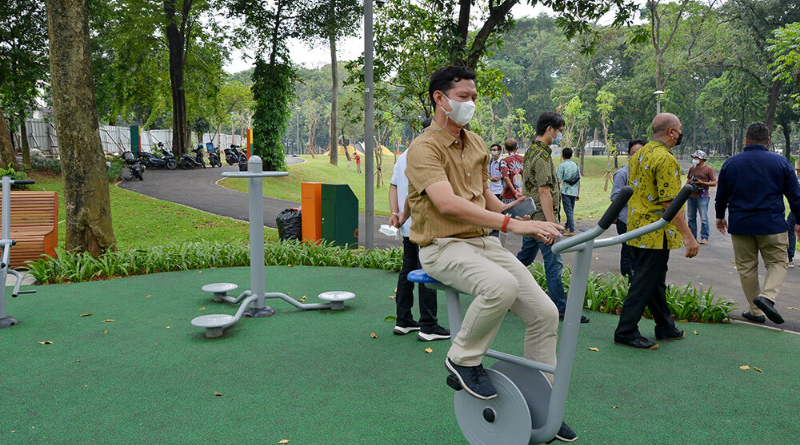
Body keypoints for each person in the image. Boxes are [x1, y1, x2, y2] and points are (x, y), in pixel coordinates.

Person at [405, 66, 578, 442]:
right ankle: (462, 358)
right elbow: (448, 204)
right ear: (440, 98)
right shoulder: (423, 148)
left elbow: (484, 198)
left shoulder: (479, 143)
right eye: (464, 97)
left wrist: (520, 213)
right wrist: (513, 226)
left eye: (474, 97)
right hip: (442, 246)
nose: (471, 104)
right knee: (499, 285)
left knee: (545, 313)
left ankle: (541, 403)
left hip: (482, 243)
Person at [613, 113, 699, 350]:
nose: (681, 133)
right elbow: (670, 203)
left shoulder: (639, 154)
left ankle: (665, 326)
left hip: (637, 227)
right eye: (679, 129)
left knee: (653, 279)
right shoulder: (666, 159)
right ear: (672, 131)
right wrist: (689, 236)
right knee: (644, 281)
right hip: (656, 231)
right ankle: (626, 330)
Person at [715, 122, 800, 325]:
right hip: (772, 224)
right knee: (778, 262)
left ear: (746, 140)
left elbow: (721, 195)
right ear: (768, 141)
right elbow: (795, 196)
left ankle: (755, 311)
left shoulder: (731, 163)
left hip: (741, 224)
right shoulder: (781, 162)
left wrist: (720, 216)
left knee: (746, 268)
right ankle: (767, 297)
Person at [518, 112, 590, 324]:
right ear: (549, 129)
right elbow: (544, 191)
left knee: (524, 258)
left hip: (533, 218)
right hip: (542, 220)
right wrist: (551, 225)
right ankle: (561, 308)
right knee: (553, 263)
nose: (559, 134)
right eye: (559, 130)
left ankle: (499, 286)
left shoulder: (531, 151)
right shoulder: (541, 156)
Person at [389, 151, 451, 341]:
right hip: (423, 225)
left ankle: (403, 319)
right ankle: (429, 325)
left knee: (407, 271)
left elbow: (393, 187)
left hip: (407, 225)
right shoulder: (428, 154)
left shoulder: (403, 156)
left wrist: (396, 213)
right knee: (428, 273)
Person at [610, 138, 646, 279]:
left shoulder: (647, 173)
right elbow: (615, 197)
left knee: (640, 254)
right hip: (626, 220)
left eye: (641, 153)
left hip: (643, 221)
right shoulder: (623, 173)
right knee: (628, 252)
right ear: (629, 155)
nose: (637, 156)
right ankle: (626, 283)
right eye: (634, 153)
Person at [685, 150, 717, 245]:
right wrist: (684, 191)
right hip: (691, 195)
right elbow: (688, 180)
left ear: (702, 159)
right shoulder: (692, 168)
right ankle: (692, 237)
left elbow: (714, 183)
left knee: (704, 218)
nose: (694, 159)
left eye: (696, 158)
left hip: (703, 196)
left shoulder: (709, 169)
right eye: (694, 157)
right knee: (691, 218)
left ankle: (704, 237)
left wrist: (702, 183)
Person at [556, 147, 580, 236]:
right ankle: (566, 227)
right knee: (571, 210)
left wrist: (557, 192)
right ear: (571, 155)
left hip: (566, 191)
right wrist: (578, 193)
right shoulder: (575, 165)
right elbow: (578, 180)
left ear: (562, 156)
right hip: (574, 191)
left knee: (568, 210)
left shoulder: (562, 166)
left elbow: (558, 180)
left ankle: (572, 230)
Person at [500, 138, 524, 203]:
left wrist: (515, 193)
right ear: (517, 148)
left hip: (509, 197)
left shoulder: (504, 161)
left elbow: (505, 177)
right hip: (523, 195)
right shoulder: (523, 159)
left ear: (505, 148)